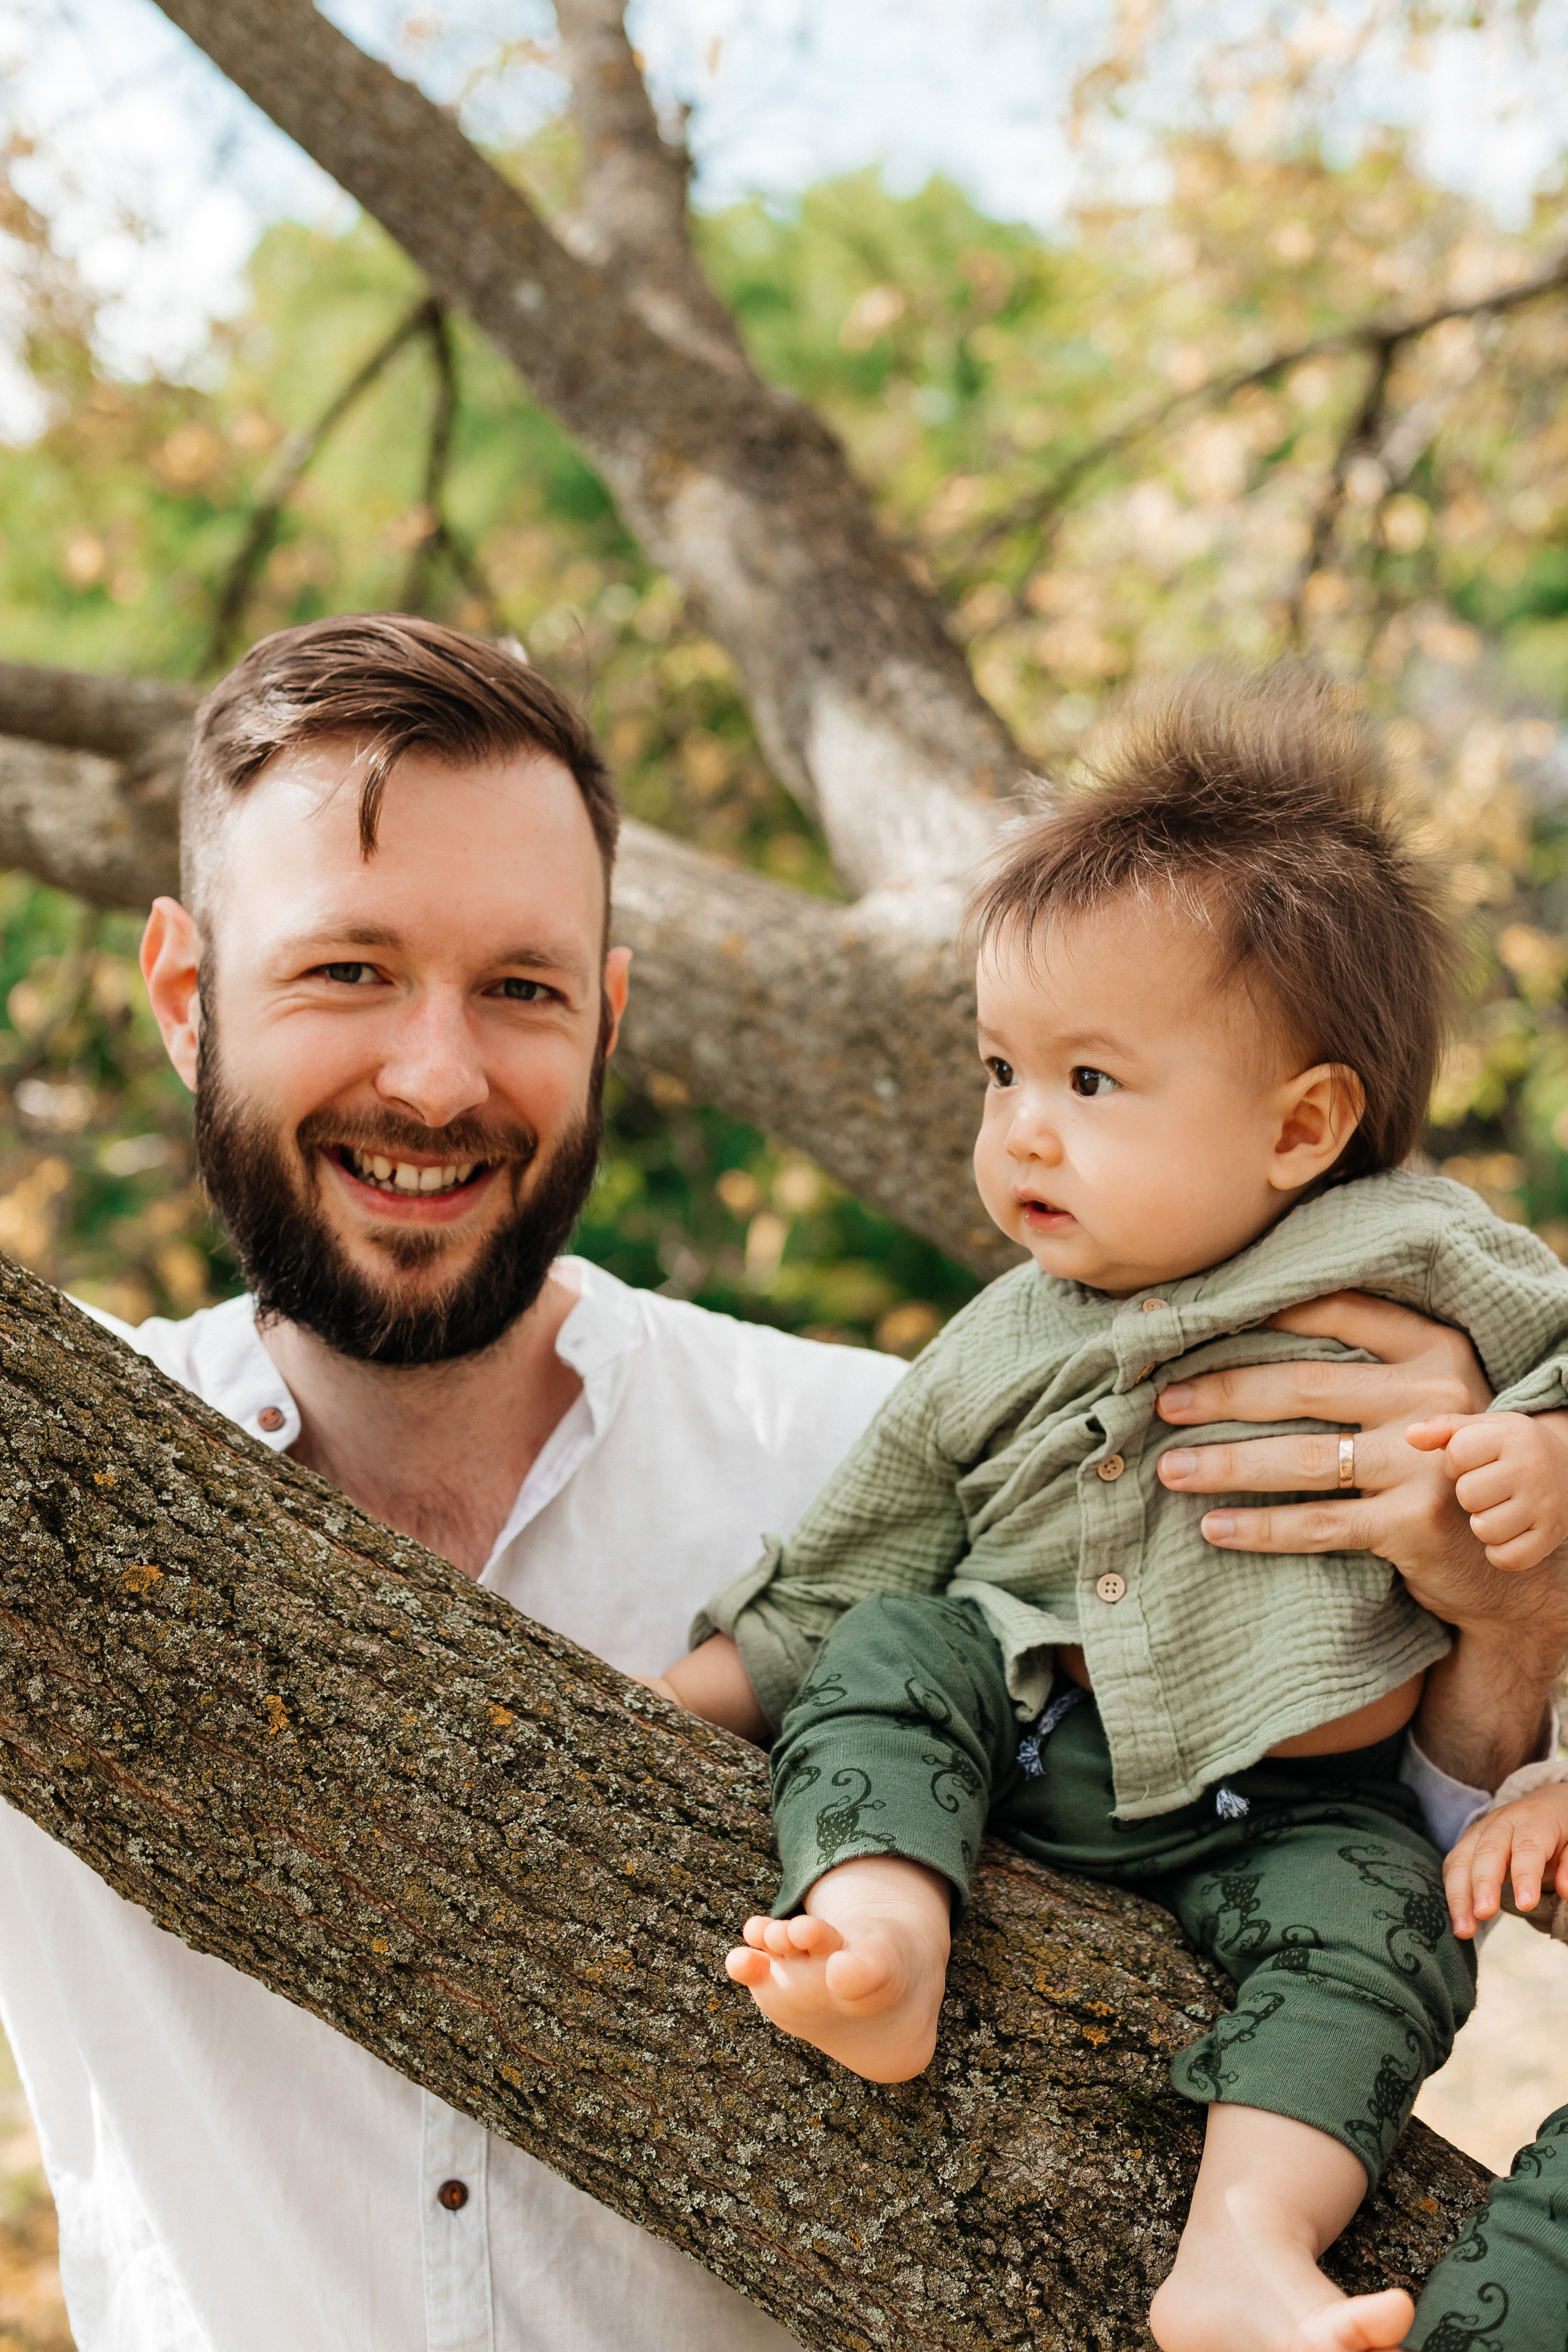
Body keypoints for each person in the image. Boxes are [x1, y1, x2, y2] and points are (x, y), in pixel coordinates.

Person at [0, 615, 1557, 2352]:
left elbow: (1340, 1841)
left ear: (609, 1013)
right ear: (185, 993)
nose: (436, 1076)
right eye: (345, 972)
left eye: (519, 986)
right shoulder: (47, 1498)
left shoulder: (887, 1459)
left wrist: (1498, 1591)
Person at [650, 667, 1568, 2352]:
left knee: (1387, 1945)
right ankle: (883, 1932)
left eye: (1089, 1083)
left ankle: (1237, 2255)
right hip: (1032, 1747)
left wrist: (1552, 1448)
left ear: (1303, 1127)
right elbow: (834, 1577)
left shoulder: (1423, 1254)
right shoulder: (993, 1340)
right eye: (1002, 1070)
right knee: (893, 1647)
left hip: (1308, 1812)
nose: (1018, 1136)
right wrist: (644, 1715)